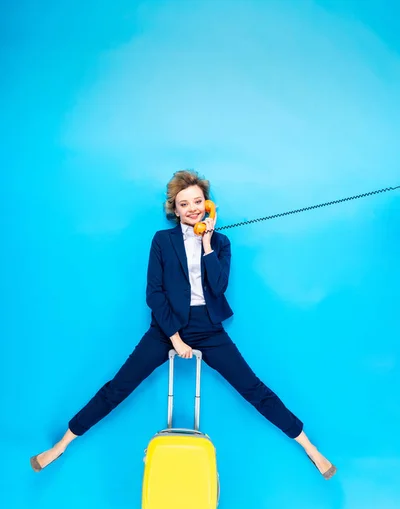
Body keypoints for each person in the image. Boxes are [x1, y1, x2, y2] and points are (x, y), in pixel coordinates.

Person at [30, 169, 336, 480]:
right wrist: (175, 338)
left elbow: (217, 287)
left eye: (198, 201)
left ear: (208, 204)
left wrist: (206, 245)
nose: (192, 208)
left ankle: (310, 448)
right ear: (174, 210)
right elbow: (154, 292)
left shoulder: (221, 242)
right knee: (118, 388)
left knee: (254, 389)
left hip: (208, 327)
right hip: (167, 327)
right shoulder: (162, 241)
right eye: (184, 203)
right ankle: (62, 445)